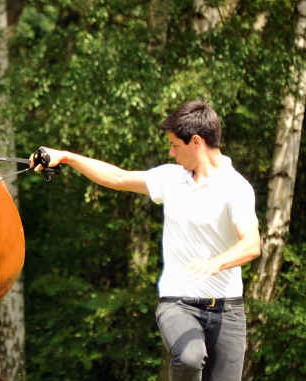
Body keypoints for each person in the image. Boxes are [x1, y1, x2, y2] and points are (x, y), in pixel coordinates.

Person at [30, 100, 261, 381]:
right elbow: (117, 177)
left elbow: (251, 244)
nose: (170, 152)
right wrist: (66, 156)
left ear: (196, 142)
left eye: (175, 145)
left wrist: (216, 263)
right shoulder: (170, 178)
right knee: (189, 358)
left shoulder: (235, 188)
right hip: (179, 303)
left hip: (228, 311)